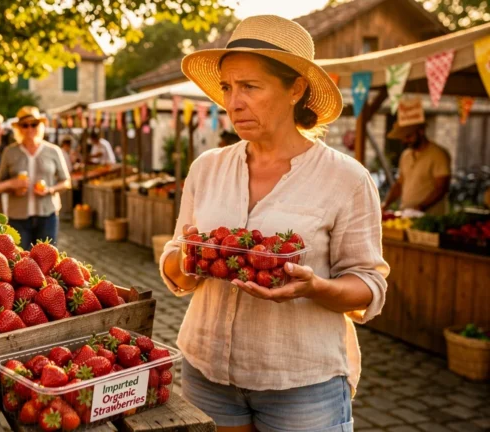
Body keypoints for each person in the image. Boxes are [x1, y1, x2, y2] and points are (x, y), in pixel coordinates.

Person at [161, 15, 389, 432]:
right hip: (205, 370)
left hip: (301, 384)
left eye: (250, 86)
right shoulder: (207, 168)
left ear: (296, 89)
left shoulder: (346, 178)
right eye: (228, 88)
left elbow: (369, 286)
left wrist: (316, 288)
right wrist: (188, 259)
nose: (233, 102)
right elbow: (177, 259)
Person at [0, 106, 71, 249]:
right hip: (17, 216)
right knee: (19, 262)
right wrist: (13, 188)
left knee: (47, 262)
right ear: (19, 129)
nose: (29, 128)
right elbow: (1, 182)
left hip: (47, 215)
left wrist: (50, 190)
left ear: (40, 126)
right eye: (25, 125)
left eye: (34, 124)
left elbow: (66, 182)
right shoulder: (9, 152)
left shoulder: (53, 151)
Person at [381, 121, 451, 215]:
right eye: (403, 138)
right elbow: (400, 184)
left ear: (421, 131)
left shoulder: (438, 154)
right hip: (407, 213)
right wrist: (386, 204)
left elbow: (442, 187)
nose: (405, 141)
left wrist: (421, 207)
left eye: (408, 136)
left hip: (430, 216)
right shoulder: (405, 155)